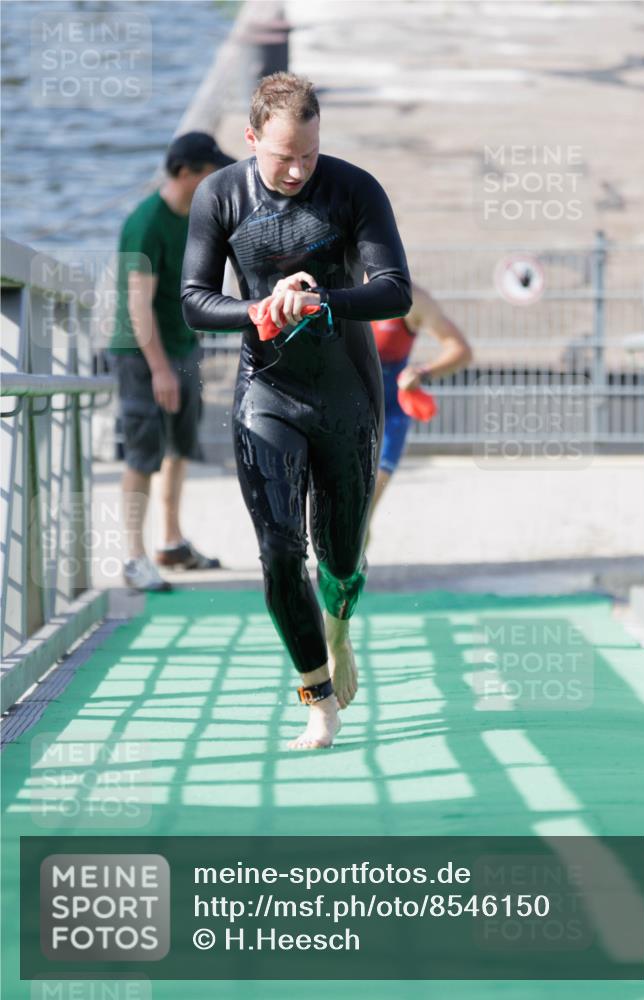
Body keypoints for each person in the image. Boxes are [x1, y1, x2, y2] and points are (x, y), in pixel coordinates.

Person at [181, 73, 411, 749]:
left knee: (340, 555)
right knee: (280, 550)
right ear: (251, 139)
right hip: (267, 391)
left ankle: (338, 628)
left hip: (345, 392)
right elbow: (195, 298)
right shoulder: (219, 195)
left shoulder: (353, 188)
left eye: (308, 155)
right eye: (283, 156)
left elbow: (394, 291)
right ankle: (316, 699)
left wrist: (321, 299)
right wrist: (258, 308)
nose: (296, 170)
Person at [109, 132, 235, 592]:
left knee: (181, 448)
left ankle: (171, 540)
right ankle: (134, 557)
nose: (216, 178)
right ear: (185, 173)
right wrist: (160, 369)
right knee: (142, 453)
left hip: (183, 346)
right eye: (208, 171)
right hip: (142, 354)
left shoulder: (195, 217)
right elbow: (137, 306)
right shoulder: (146, 222)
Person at [369, 283, 473, 519]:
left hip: (390, 412)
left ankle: (359, 551)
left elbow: (461, 350)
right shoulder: (337, 286)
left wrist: (422, 372)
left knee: (365, 508)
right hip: (345, 409)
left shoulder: (413, 298)